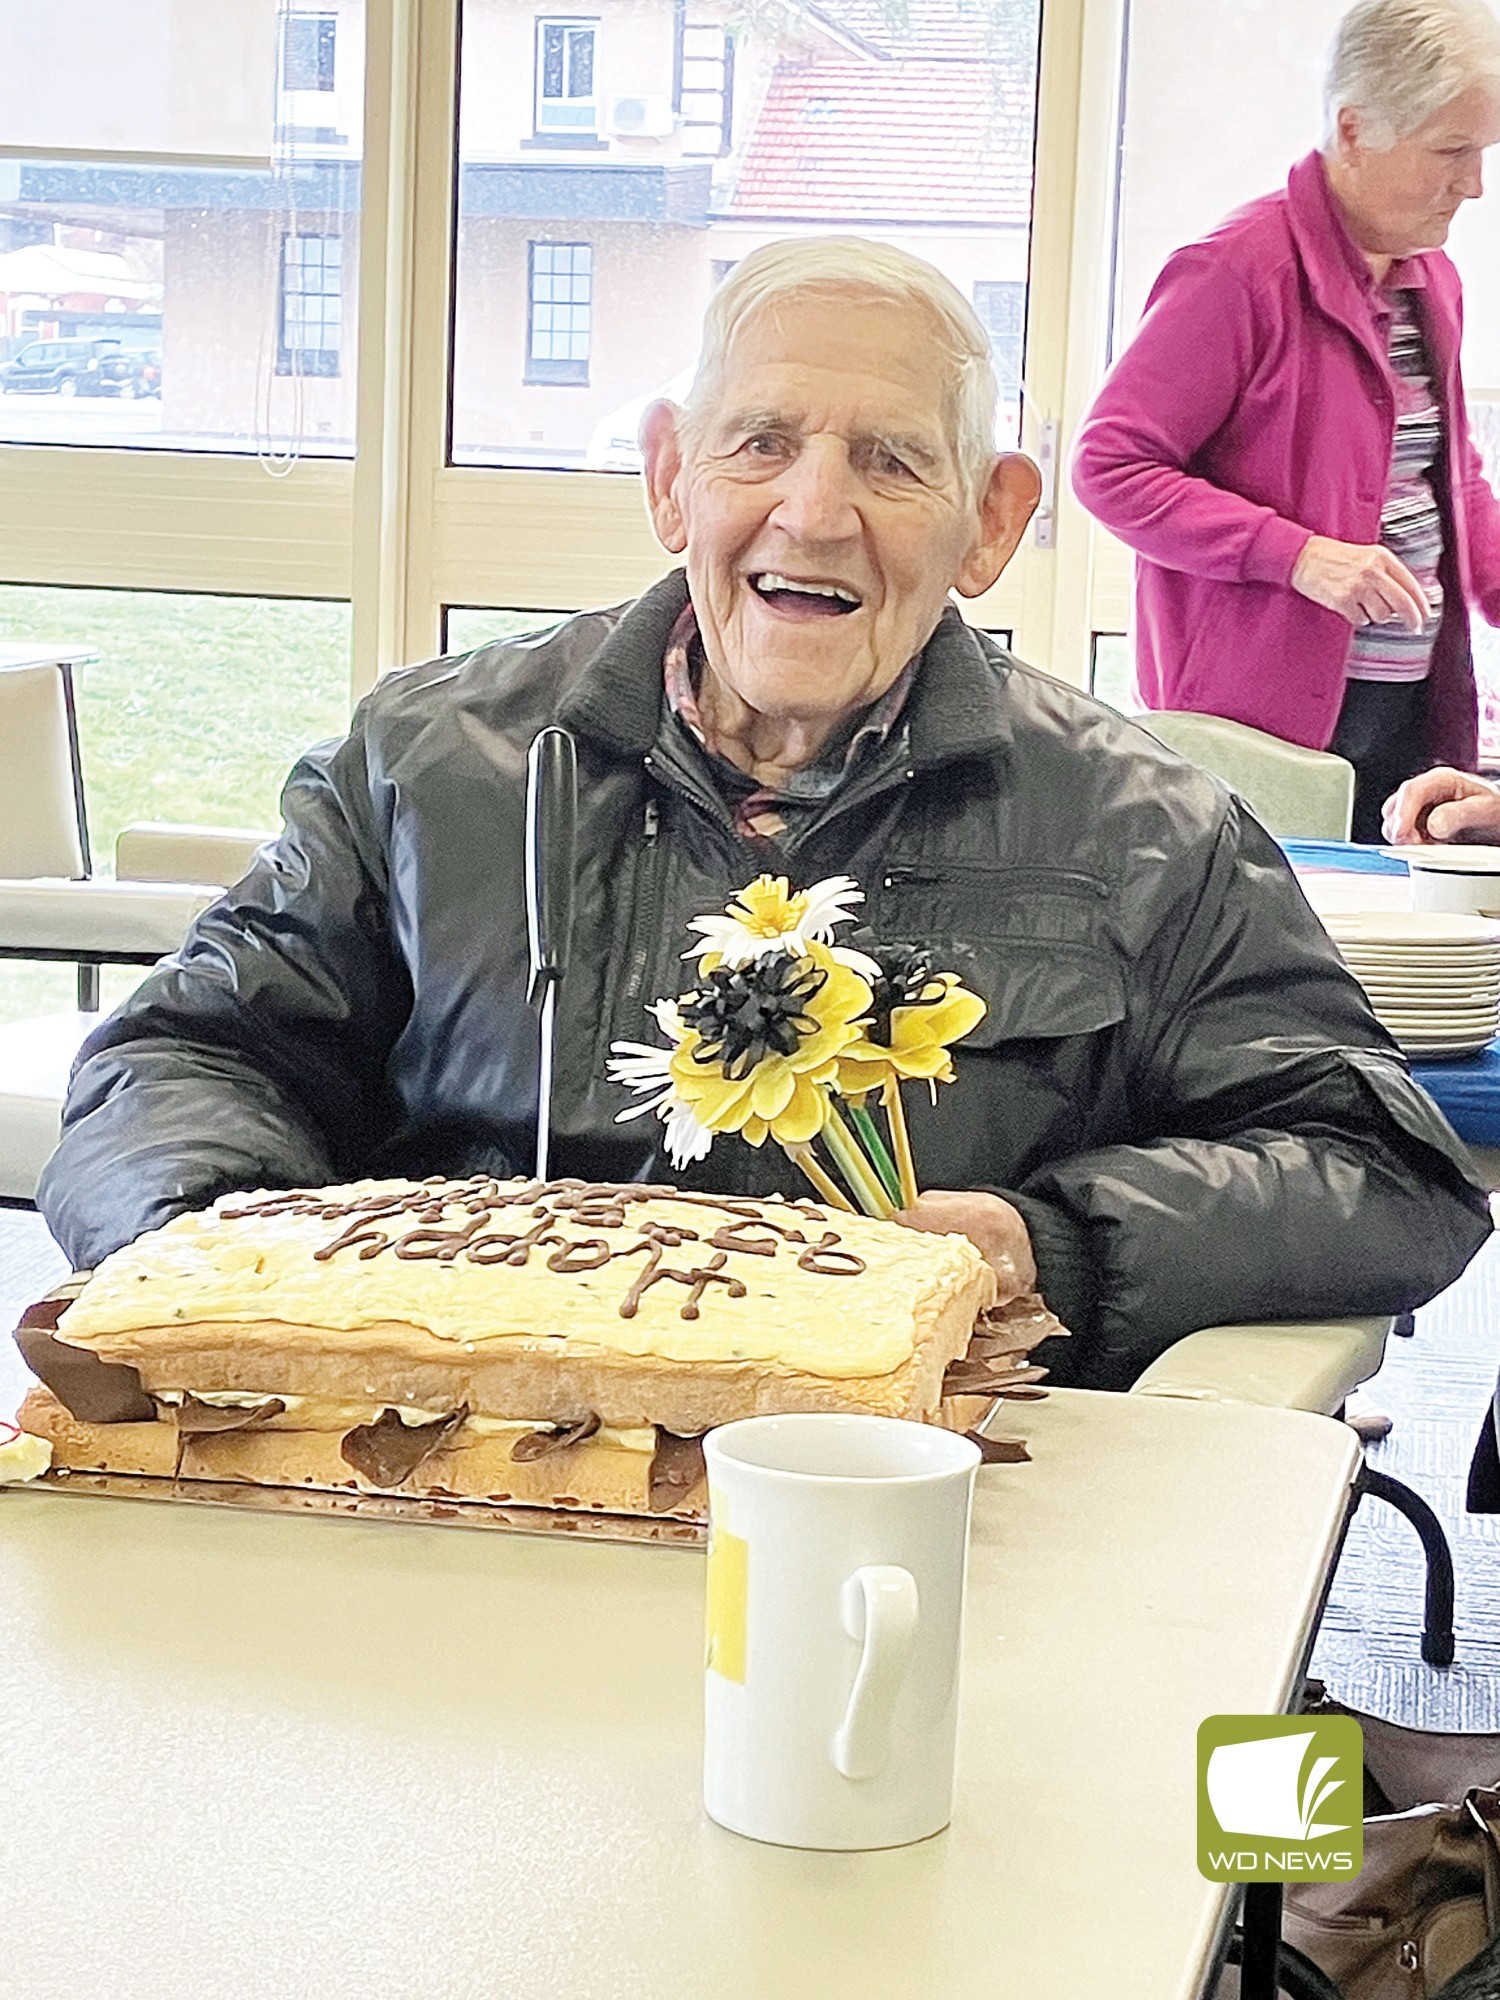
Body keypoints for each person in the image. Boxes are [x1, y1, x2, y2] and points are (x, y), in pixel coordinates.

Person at [39, 237, 1491, 1390]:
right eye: (761, 444)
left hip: (919, 1507)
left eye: (890, 459)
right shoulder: (434, 764)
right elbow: (181, 1057)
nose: (811, 511)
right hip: (453, 1458)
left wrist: (1047, 1245)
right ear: (675, 476)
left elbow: (1386, 1172)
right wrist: (225, 1265)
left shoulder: (1142, 826)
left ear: (989, 522)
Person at [1072, 0, 1500, 843]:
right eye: (1451, 152)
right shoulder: (1234, 273)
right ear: (1354, 129)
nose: (1475, 184)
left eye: (1482, 152)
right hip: (1261, 730)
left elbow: (1448, 482)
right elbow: (1109, 468)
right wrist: (1298, 555)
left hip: (1406, 708)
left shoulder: (1431, 281)